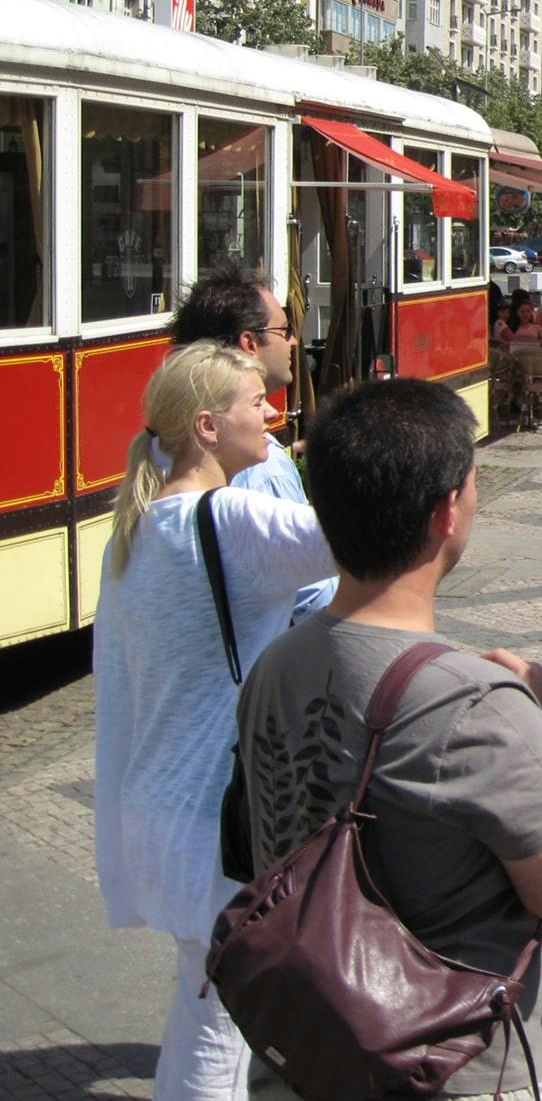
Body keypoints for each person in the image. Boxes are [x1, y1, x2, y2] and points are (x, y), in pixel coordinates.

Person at [235, 378, 542, 1101]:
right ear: (448, 510)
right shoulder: (471, 700)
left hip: (303, 1058)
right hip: (448, 1070)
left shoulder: (274, 665)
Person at [92, 343, 336, 1101]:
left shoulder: (139, 525)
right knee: (220, 1028)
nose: (273, 413)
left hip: (158, 806)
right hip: (219, 824)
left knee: (200, 998)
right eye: (255, 403)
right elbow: (373, 537)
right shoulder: (232, 521)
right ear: (207, 425)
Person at [168, 259, 335, 618]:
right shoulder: (261, 465)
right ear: (249, 342)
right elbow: (314, 598)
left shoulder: (168, 445)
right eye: (284, 330)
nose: (294, 341)